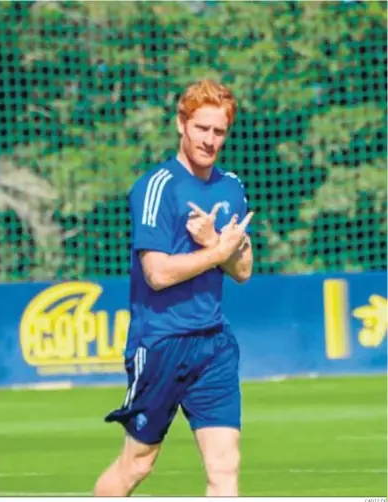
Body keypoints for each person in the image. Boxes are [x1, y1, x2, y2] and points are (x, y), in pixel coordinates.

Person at [93, 79, 254, 497]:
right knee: (137, 464)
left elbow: (244, 269)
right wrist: (218, 250)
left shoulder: (231, 186)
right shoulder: (156, 187)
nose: (210, 140)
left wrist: (213, 242)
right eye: (202, 128)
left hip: (213, 345)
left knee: (225, 470)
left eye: (219, 132)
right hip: (161, 342)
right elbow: (158, 274)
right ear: (181, 124)